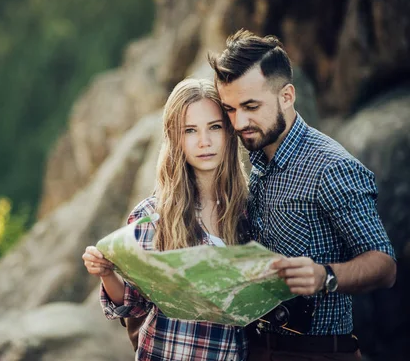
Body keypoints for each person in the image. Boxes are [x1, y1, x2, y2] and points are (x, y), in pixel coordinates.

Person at [209, 29, 397, 361]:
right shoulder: (254, 160)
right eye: (231, 109)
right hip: (252, 348)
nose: (239, 122)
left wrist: (325, 276)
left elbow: (384, 265)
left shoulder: (332, 167)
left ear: (287, 96)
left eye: (251, 106)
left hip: (318, 353)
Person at [83, 78, 250, 360]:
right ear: (175, 138)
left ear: (229, 132)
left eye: (214, 127)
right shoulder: (152, 216)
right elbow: (132, 306)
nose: (204, 141)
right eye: (190, 131)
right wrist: (107, 272)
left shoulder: (247, 212)